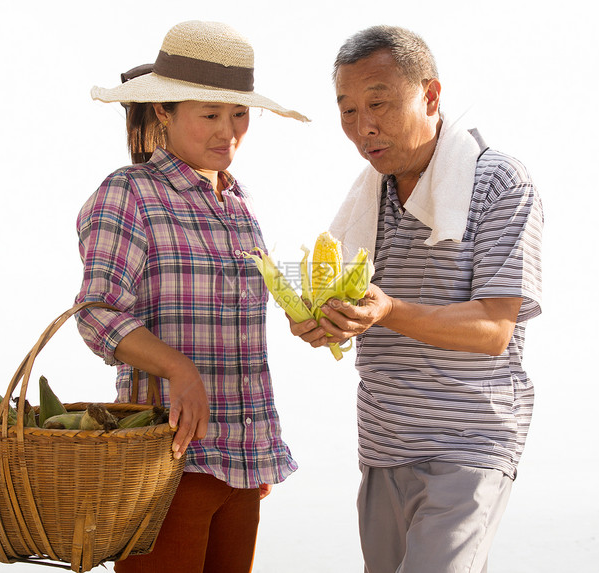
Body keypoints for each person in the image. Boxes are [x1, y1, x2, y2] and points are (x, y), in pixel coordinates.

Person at [291, 26, 544, 573]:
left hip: (469, 445)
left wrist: (388, 310)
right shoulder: (368, 197)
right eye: (349, 110)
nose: (364, 127)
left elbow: (494, 329)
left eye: (378, 103)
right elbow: (359, 308)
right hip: (383, 443)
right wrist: (324, 321)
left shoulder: (499, 183)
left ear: (430, 96)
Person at [74, 20, 307, 573]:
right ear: (163, 111)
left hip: (243, 465)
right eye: (210, 115)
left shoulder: (240, 205)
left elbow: (243, 334)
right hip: (165, 464)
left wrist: (257, 454)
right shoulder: (128, 193)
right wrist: (180, 370)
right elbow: (95, 315)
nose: (229, 132)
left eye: (240, 114)